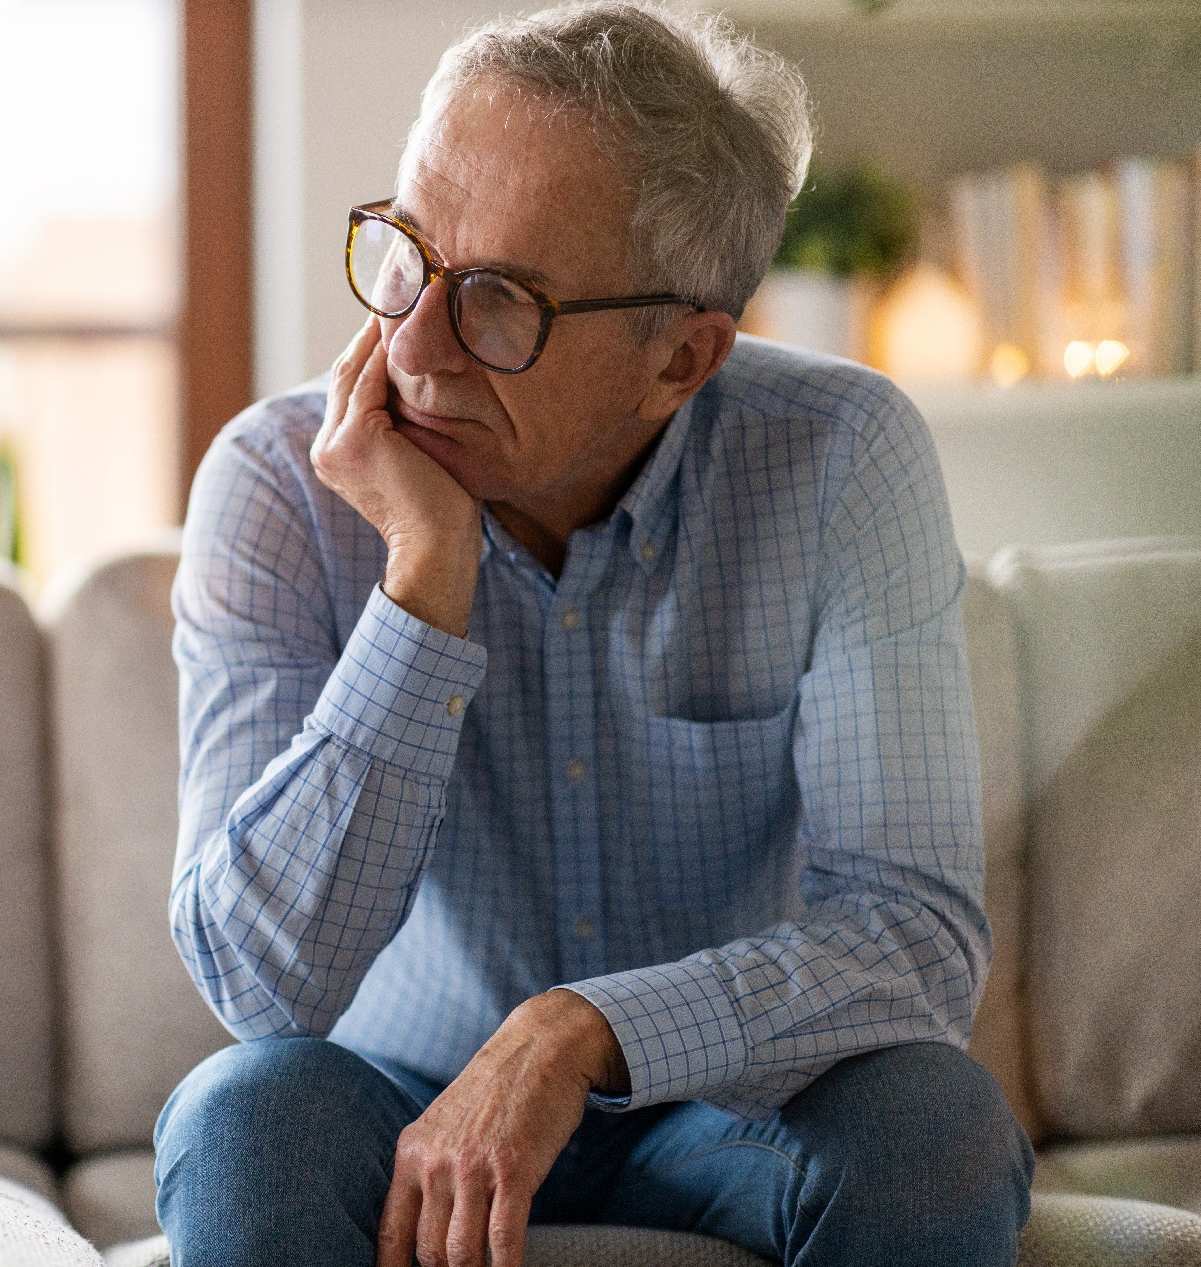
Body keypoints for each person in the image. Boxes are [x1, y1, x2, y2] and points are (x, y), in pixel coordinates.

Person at [154, 4, 1033, 1266]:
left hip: (729, 1106)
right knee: (243, 1119)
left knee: (933, 1122)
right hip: (397, 1102)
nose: (410, 346)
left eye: (499, 302)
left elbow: (914, 939)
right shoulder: (280, 482)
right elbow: (259, 987)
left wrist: (578, 1033)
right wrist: (422, 582)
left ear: (679, 357)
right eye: (405, 253)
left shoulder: (842, 456)